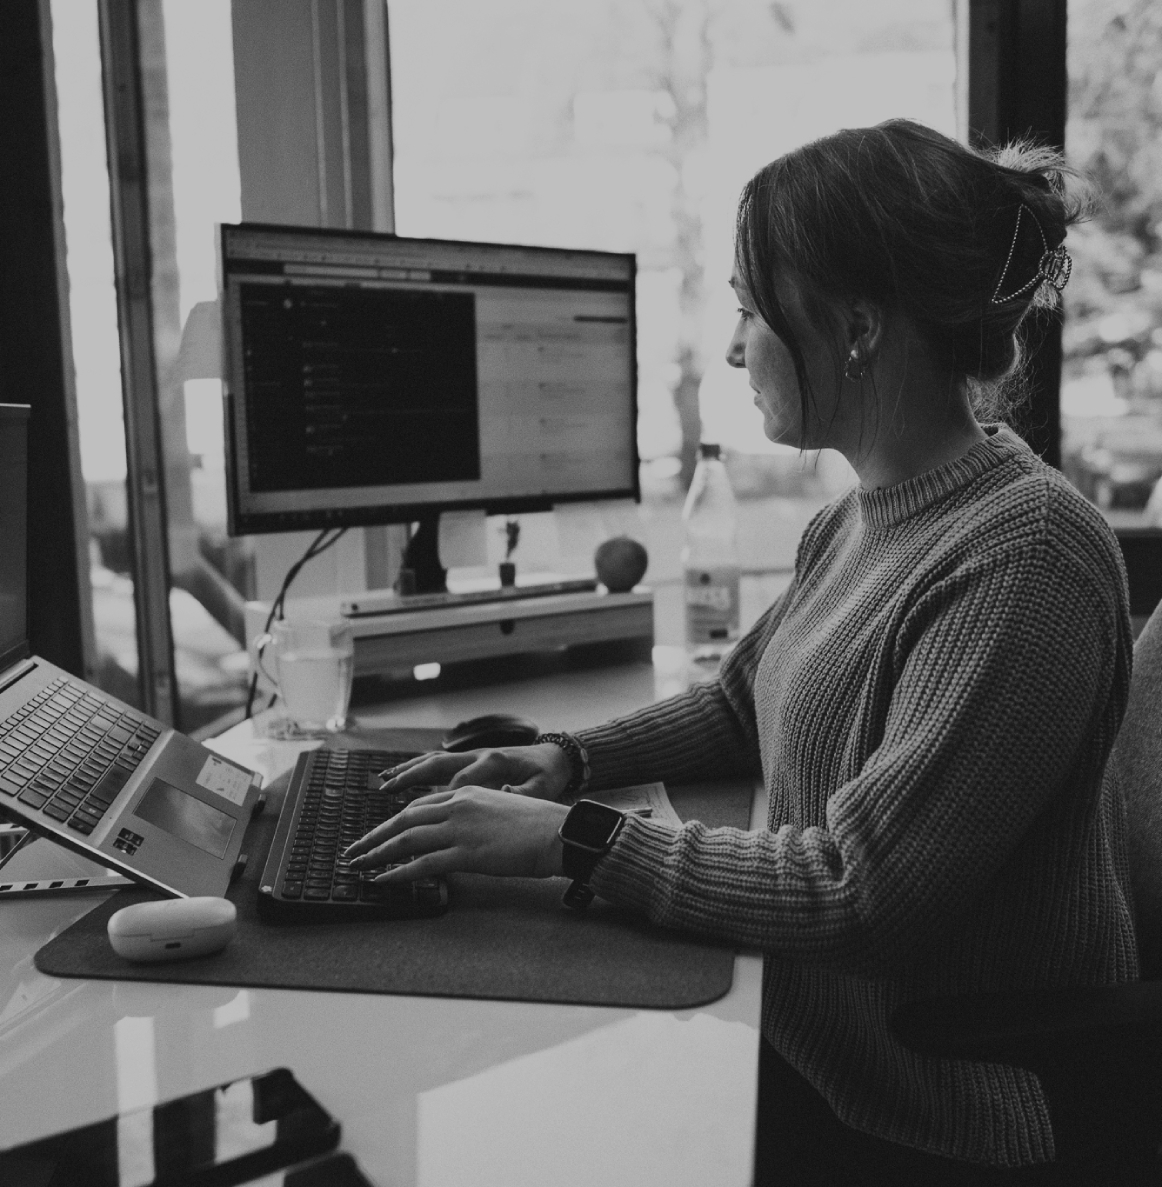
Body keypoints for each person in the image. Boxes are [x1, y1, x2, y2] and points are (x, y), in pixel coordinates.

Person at [345, 120, 1137, 1184]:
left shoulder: (1023, 559)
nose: (731, 349)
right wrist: (563, 763)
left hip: (927, 1103)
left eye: (748, 311)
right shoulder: (863, 515)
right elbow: (737, 703)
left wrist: (572, 840)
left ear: (857, 327)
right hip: (799, 1030)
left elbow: (861, 890)